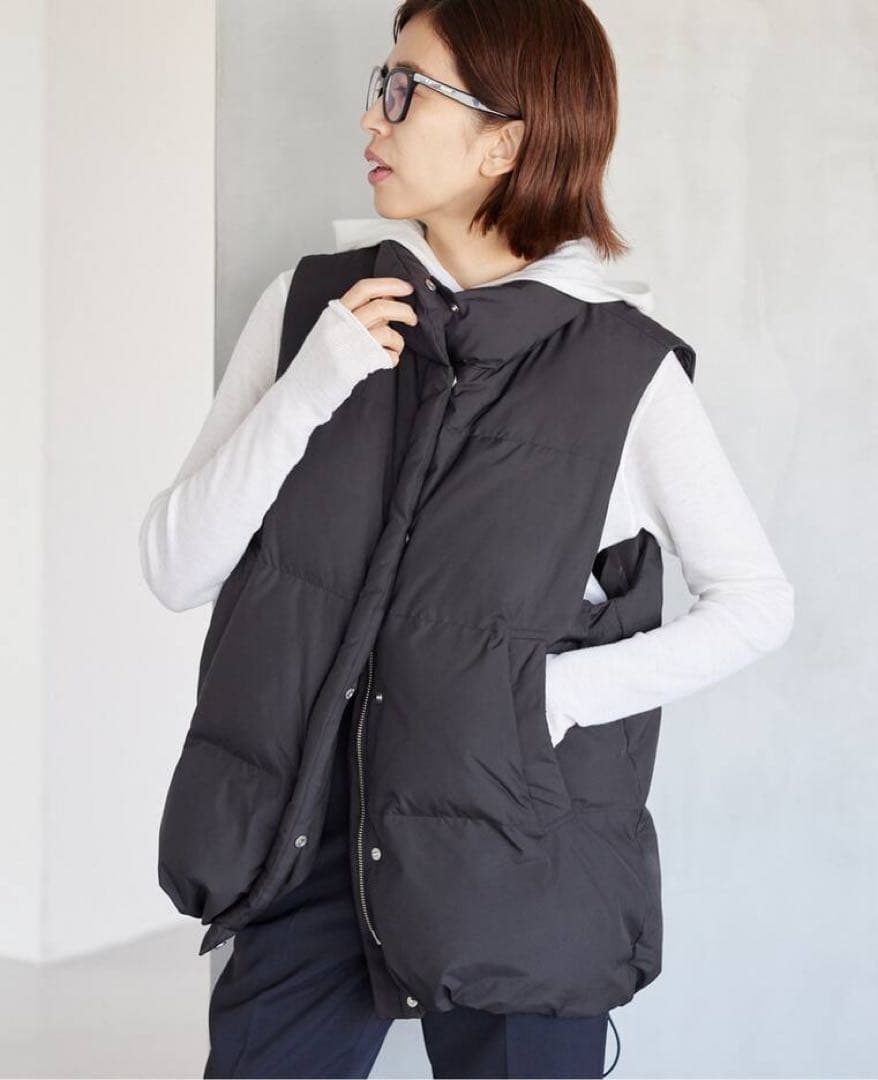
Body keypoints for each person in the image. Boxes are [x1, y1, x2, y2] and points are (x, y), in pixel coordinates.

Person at [139, 2, 794, 1077]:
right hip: (311, 850)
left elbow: (757, 602)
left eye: (404, 91)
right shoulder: (313, 307)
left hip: (516, 870)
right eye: (378, 84)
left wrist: (554, 698)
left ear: (505, 142)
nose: (372, 116)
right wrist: (309, 390)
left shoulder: (622, 370)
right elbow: (175, 568)